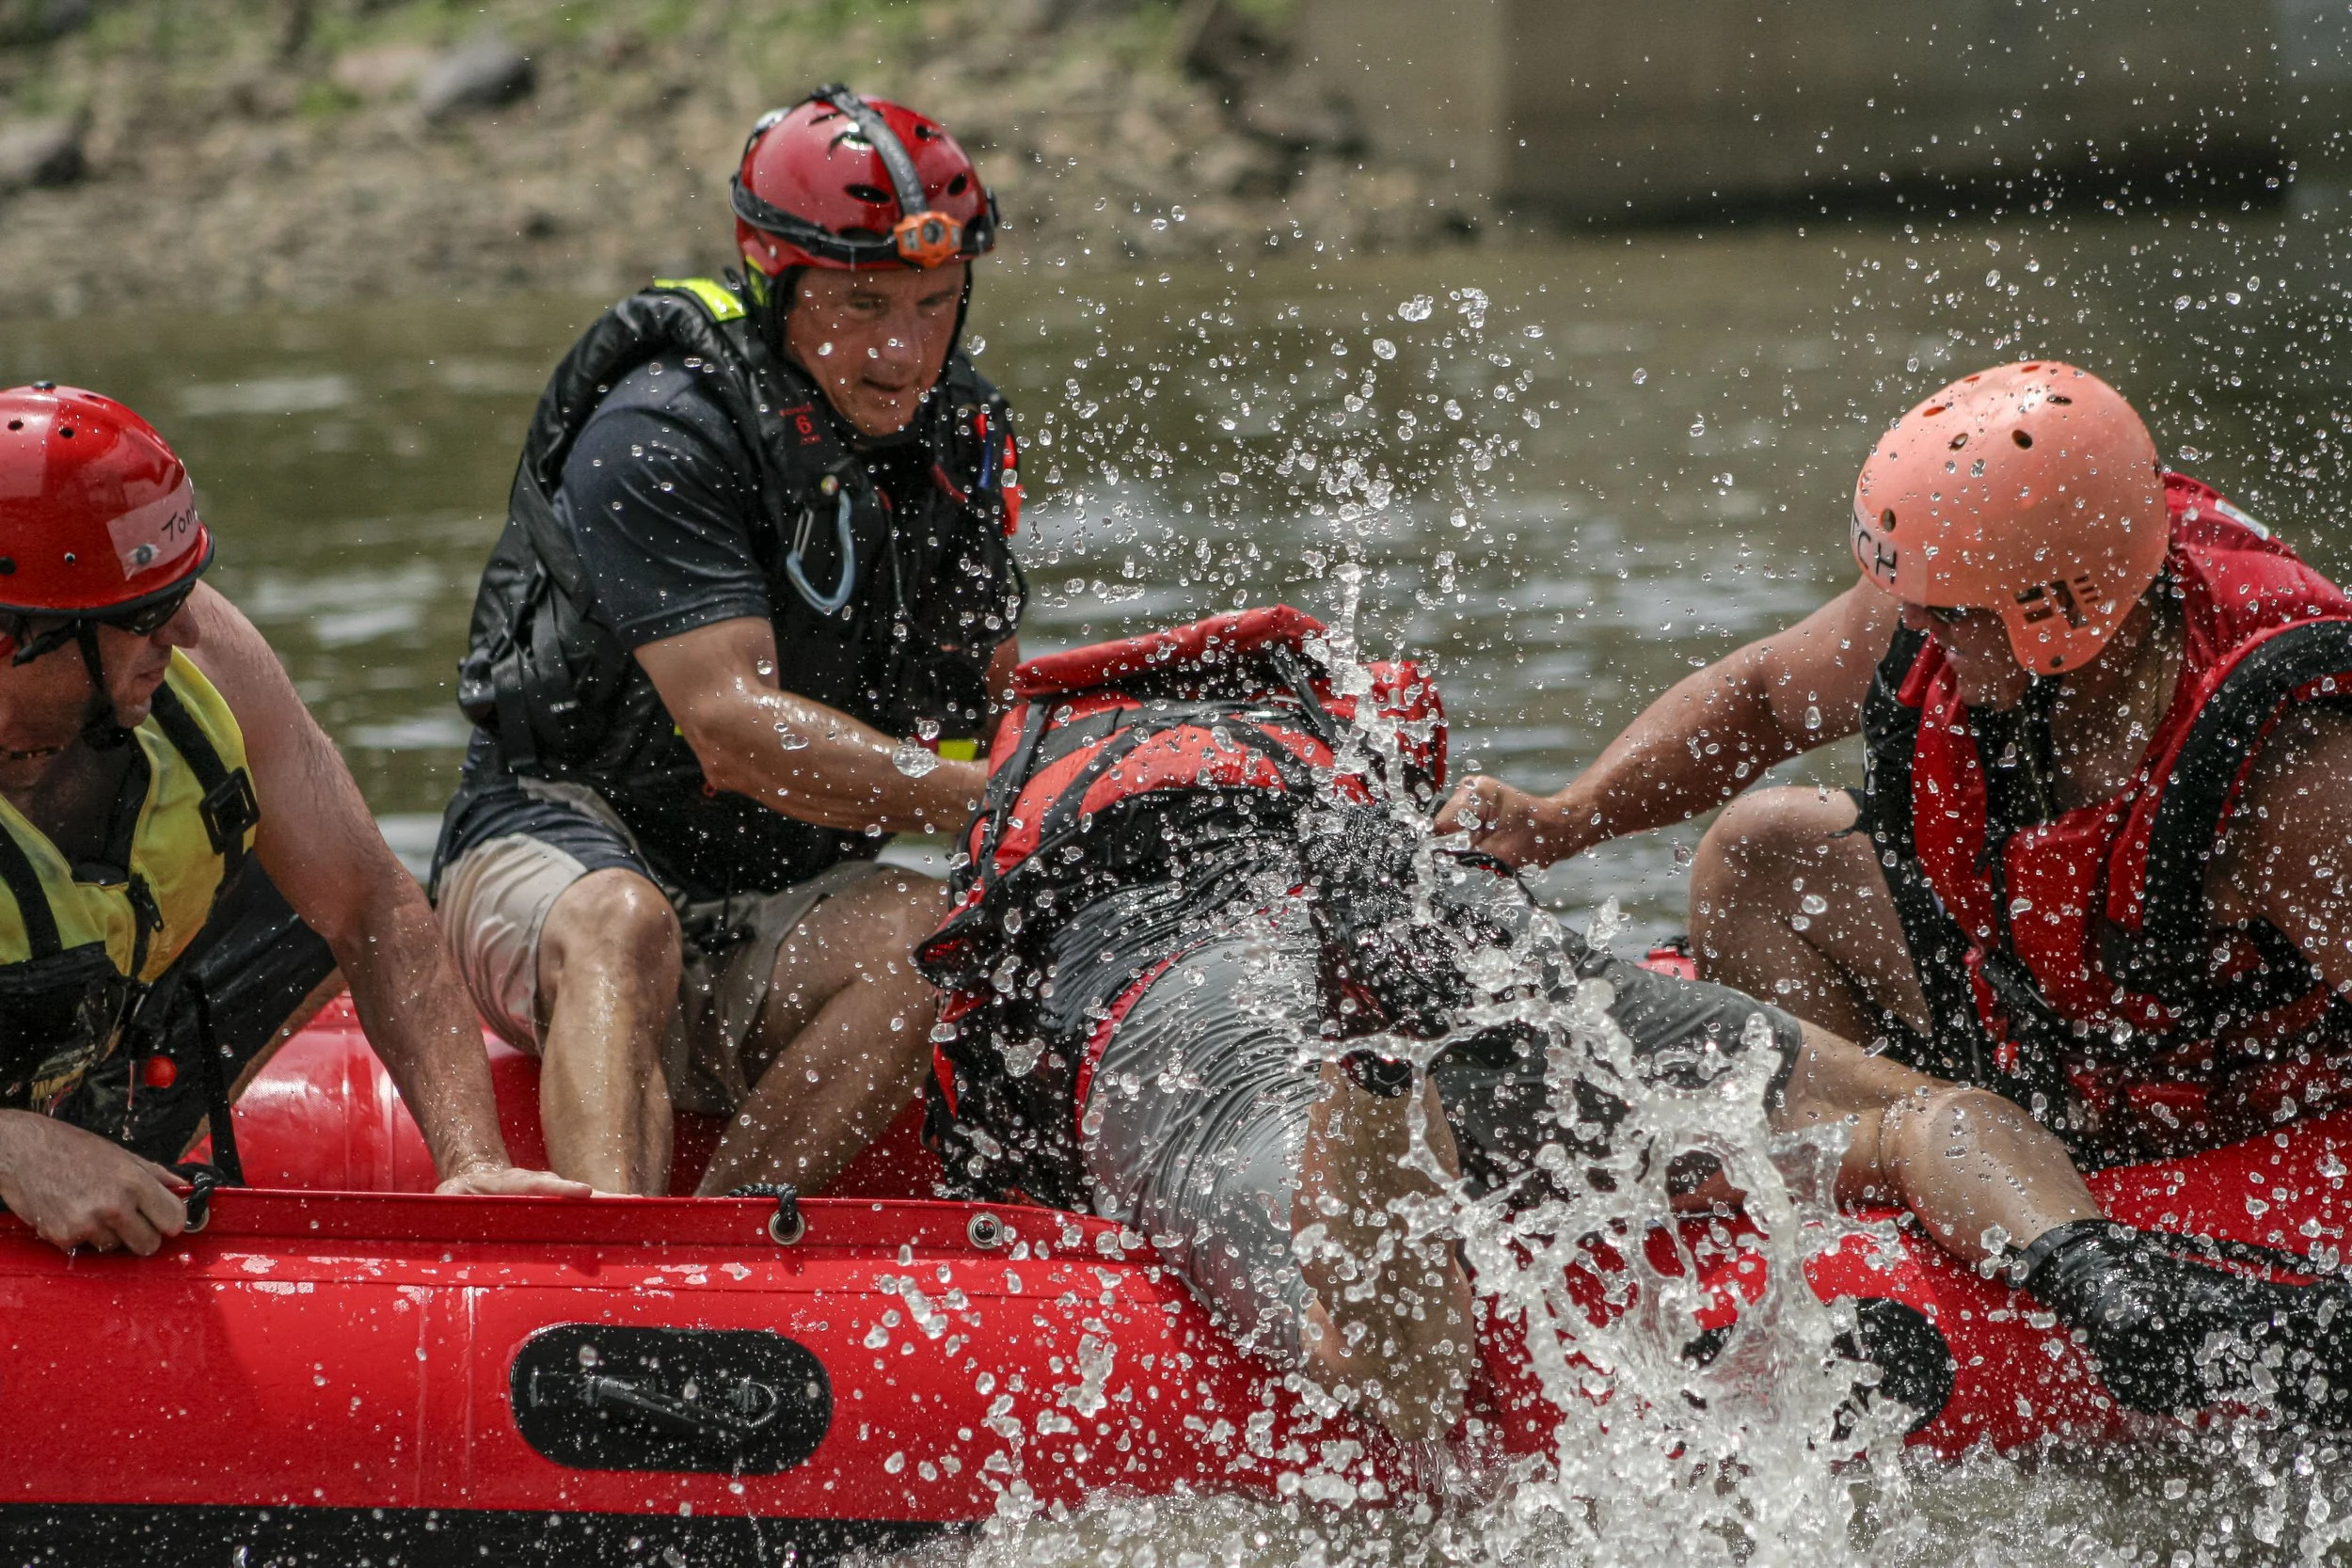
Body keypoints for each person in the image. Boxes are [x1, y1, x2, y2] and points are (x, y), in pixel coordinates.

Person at [918, 607, 2352, 1446]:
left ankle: (1377, 1066)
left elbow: (964, 1066)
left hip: (1197, 1011)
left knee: (1381, 1365)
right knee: (1904, 1118)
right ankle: (2082, 1253)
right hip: (1484, 944)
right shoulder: (1335, 760)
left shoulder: (1039, 811)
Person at [1442, 360, 2352, 1172]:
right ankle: (1887, 1166)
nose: (1913, 627)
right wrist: (1562, 818)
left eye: (1946, 612)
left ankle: (1988, 1179)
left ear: (2063, 612)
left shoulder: (2298, 773)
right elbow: (1759, 698)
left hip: (2234, 1098)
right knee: (1762, 852)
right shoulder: (1966, 591)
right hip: (2041, 1023)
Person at [433, 85, 1025, 1196]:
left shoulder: (962, 445)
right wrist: (990, 800)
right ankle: (606, 1276)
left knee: (940, 939)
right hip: (554, 856)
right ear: (776, 279)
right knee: (625, 921)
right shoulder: (660, 428)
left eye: (936, 303)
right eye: (860, 304)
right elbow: (732, 733)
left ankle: (721, 1266)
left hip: (775, 900)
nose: (904, 349)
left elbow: (996, 710)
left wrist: (1118, 768)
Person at [0, 384, 582, 1257]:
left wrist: (473, 1162)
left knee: (294, 882)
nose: (188, 631)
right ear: (17, 639)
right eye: (145, 616)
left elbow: (373, 907)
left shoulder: (205, 665)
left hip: (118, 1028)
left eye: (183, 590)